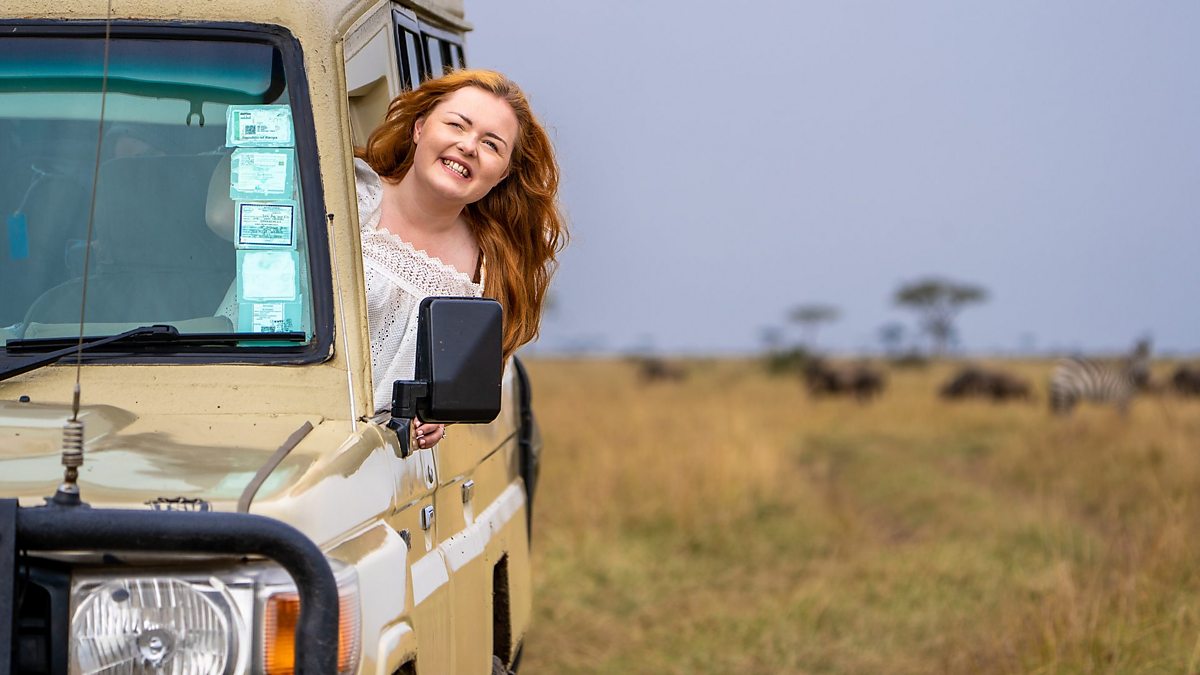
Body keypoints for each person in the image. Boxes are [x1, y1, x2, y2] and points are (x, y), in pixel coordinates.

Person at [356, 69, 565, 449]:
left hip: (378, 461)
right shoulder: (349, 192)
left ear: (503, 174)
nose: (468, 146)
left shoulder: (488, 272)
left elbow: (454, 387)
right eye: (456, 125)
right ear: (419, 128)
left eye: (491, 145)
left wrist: (438, 418)